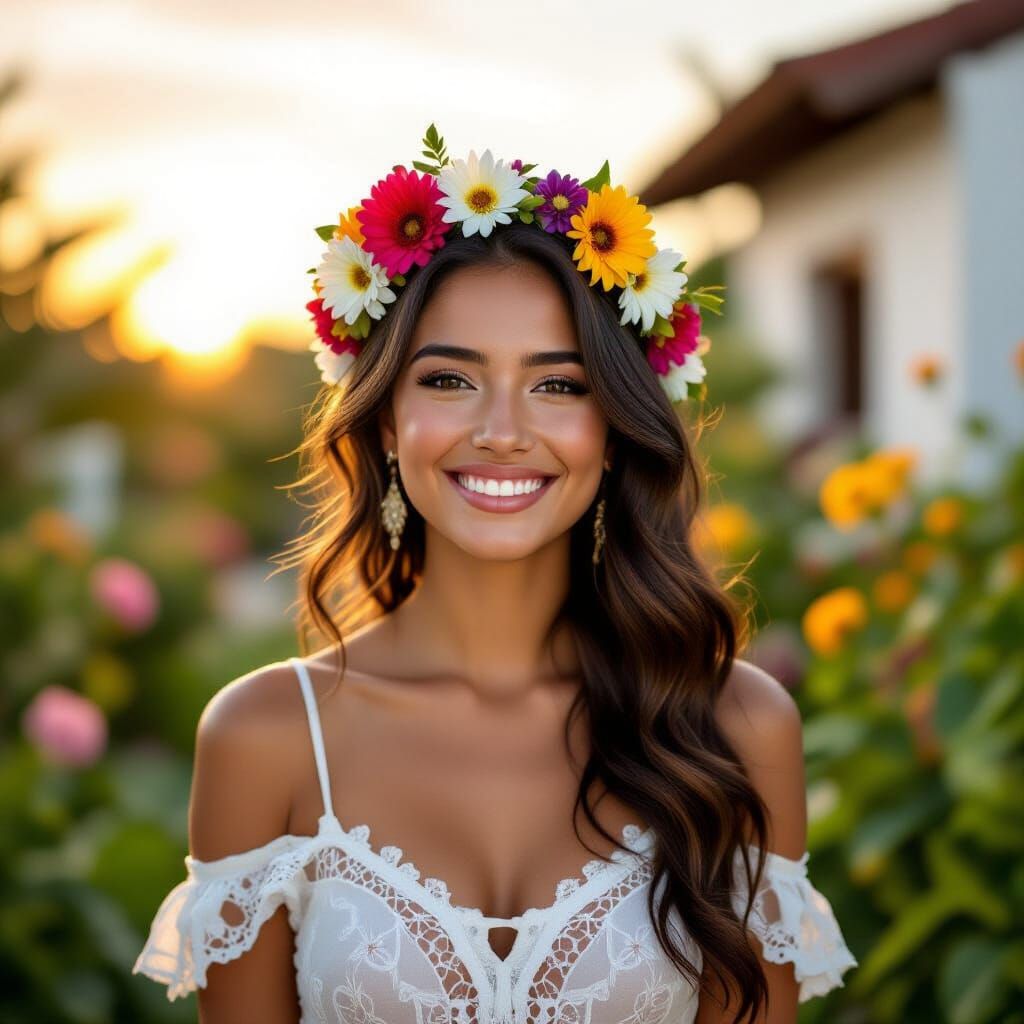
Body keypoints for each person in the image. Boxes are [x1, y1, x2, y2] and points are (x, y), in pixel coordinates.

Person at [133, 135, 857, 1023]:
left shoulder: (732, 728)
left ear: (616, 429)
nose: (504, 431)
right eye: (449, 380)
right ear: (388, 422)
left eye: (558, 386)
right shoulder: (268, 737)